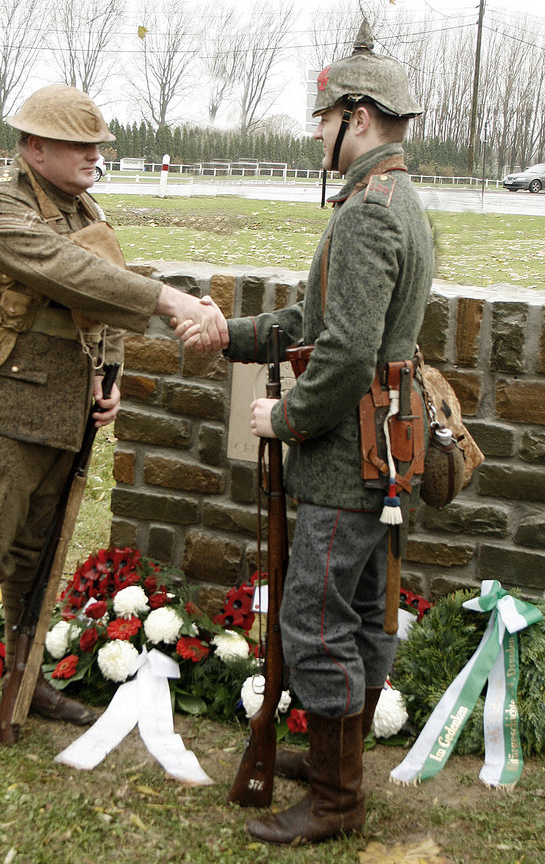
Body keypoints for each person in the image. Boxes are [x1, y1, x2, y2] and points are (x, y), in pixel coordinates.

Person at [177, 19, 433, 846]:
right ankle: (338, 767)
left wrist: (282, 417)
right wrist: (231, 337)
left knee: (315, 622)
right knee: (358, 618)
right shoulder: (397, 200)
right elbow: (312, 322)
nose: (320, 135)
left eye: (324, 121)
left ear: (357, 116)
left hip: (342, 459)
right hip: (378, 452)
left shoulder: (367, 214)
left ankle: (335, 799)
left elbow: (348, 352)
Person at [0, 83, 227, 746]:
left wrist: (112, 376)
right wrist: (171, 302)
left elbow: (99, 301)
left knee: (34, 558)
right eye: (79, 145)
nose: (96, 155)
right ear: (34, 147)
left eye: (99, 145)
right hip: (0, 408)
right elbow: (73, 275)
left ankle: (26, 675)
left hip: (66, 409)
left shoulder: (80, 206)